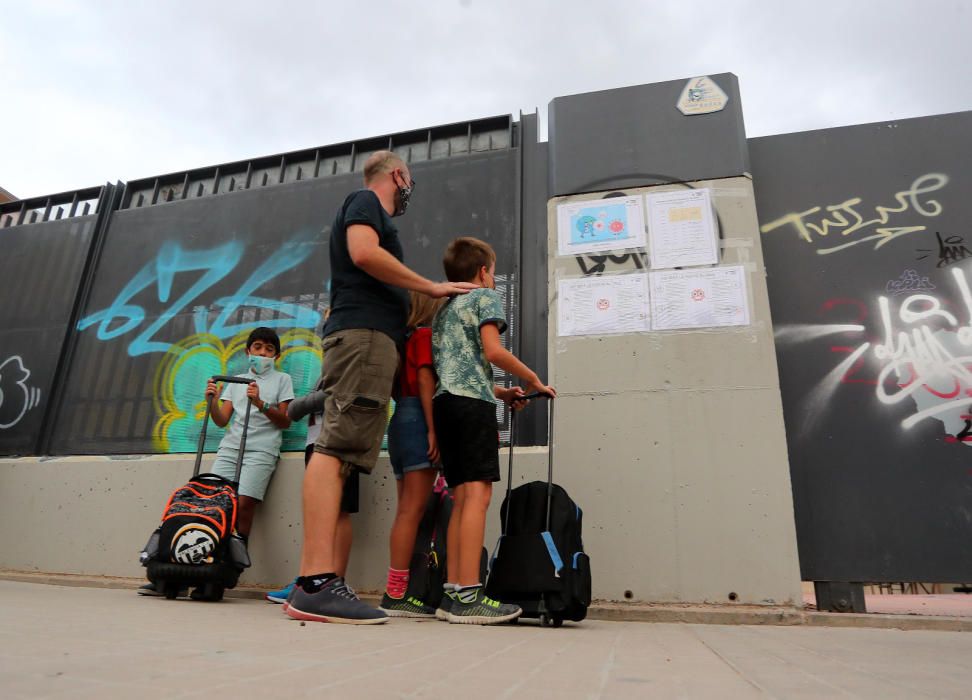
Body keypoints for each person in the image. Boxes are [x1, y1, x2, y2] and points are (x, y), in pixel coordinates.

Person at [284, 150, 475, 625]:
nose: (410, 189)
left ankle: (315, 580)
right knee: (336, 450)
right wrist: (431, 288)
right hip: (364, 338)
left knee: (337, 451)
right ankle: (315, 582)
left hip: (367, 339)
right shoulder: (365, 201)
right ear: (398, 175)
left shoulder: (367, 209)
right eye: (409, 180)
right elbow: (364, 254)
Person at [432, 237, 555, 624]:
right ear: (484, 272)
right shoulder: (484, 298)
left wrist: (500, 391)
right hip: (470, 406)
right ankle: (471, 596)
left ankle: (453, 594)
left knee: (461, 497)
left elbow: (461, 364)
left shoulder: (444, 309)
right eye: (494, 271)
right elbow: (492, 351)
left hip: (446, 402)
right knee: (479, 496)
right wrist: (534, 379)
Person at [139, 326, 294, 598]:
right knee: (209, 502)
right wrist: (210, 400)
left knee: (244, 504)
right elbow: (222, 420)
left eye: (269, 350)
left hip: (262, 450)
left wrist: (260, 403)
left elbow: (285, 420)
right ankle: (188, 563)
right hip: (230, 448)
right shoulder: (235, 381)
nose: (263, 353)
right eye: (258, 347)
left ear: (276, 355)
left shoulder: (282, 379)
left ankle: (229, 567)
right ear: (248, 351)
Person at [379, 291, 446, 617]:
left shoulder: (400, 341)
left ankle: (397, 588)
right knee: (411, 511)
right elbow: (425, 379)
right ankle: (397, 593)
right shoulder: (424, 335)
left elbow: (396, 385)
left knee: (405, 510)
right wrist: (434, 430)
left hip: (400, 419)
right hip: (419, 418)